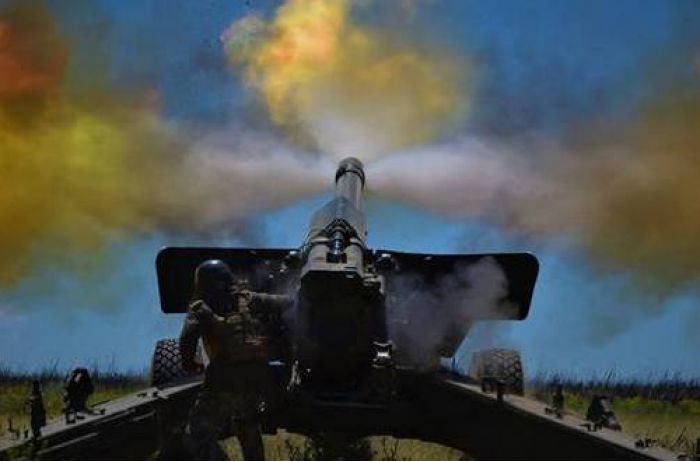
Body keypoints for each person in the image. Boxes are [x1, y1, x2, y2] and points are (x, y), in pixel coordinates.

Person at [180, 259, 293, 461]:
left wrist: (189, 362)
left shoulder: (199, 308)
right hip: (255, 381)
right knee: (247, 428)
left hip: (222, 381)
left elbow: (188, 338)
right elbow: (285, 302)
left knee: (197, 435)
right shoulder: (248, 299)